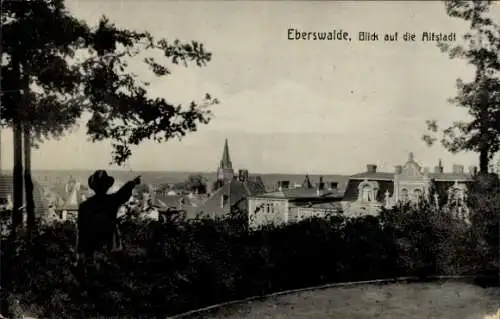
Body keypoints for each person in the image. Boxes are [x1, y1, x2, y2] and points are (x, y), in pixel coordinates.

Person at [75, 170, 141, 265]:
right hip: (111, 245)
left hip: (92, 247)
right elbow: (123, 193)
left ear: (93, 187)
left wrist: (80, 252)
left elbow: (81, 230)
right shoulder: (112, 201)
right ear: (107, 186)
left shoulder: (84, 206)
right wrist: (133, 183)